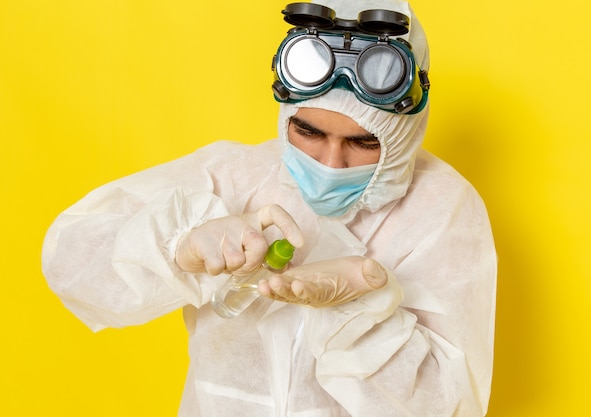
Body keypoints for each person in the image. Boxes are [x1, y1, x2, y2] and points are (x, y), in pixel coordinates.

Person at [42, 0, 497, 416]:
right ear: (287, 114)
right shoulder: (237, 175)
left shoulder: (442, 209)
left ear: (405, 128)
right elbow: (71, 260)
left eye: (362, 141)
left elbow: (450, 406)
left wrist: (358, 311)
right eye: (310, 133)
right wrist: (178, 246)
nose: (330, 164)